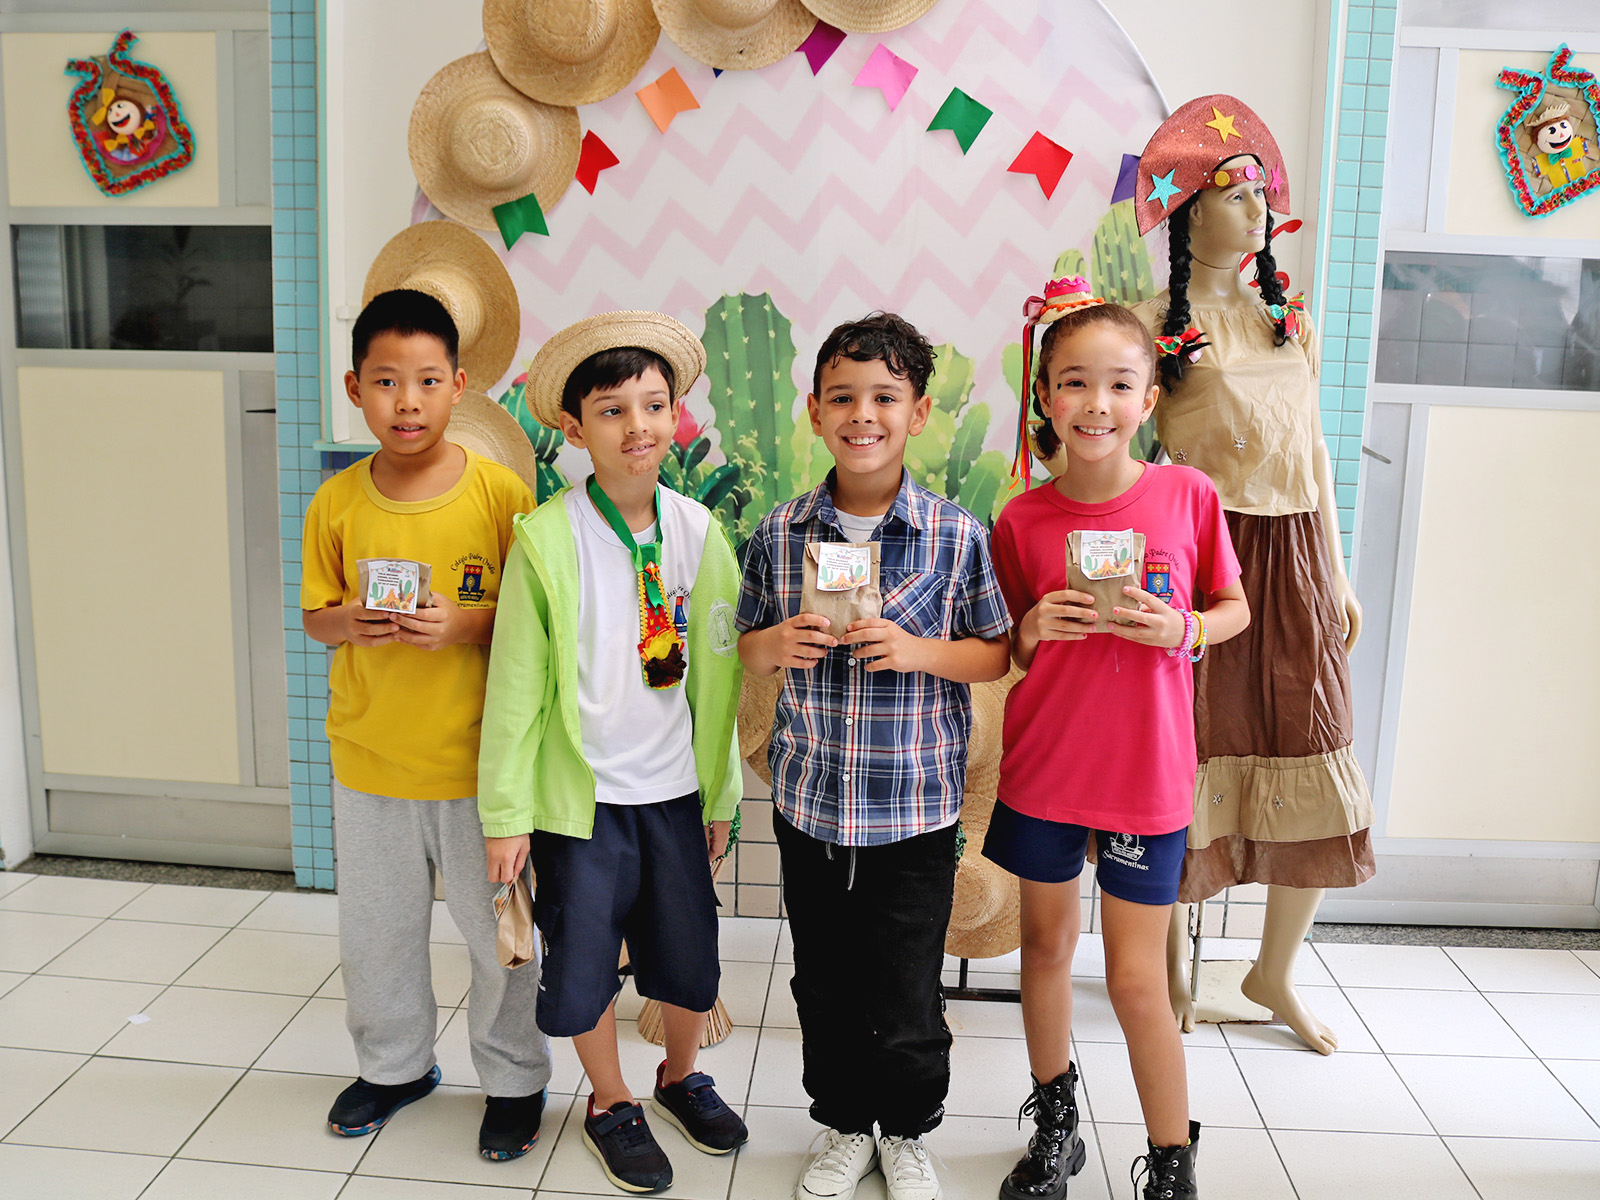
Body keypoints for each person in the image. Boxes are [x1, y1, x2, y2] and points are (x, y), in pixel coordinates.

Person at [736, 312, 1012, 1200]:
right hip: (810, 803)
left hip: (915, 809)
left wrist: (918, 650)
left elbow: (994, 655)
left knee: (906, 986)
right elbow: (746, 647)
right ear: (815, 411)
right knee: (822, 981)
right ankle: (845, 1123)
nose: (864, 414)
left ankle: (908, 1130)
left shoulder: (955, 534)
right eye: (843, 397)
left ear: (919, 413)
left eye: (885, 397)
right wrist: (777, 643)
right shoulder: (780, 531)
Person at [985, 280, 1249, 1200]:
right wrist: (1032, 629)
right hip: (1046, 771)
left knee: (1138, 980)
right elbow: (1005, 647)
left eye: (1119, 384)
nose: (1096, 403)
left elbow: (1233, 608)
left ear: (1149, 399)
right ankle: (1056, 1127)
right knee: (1046, 952)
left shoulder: (1187, 494)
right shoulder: (1021, 519)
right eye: (1074, 382)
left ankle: (1171, 1161)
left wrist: (1184, 629)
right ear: (1046, 395)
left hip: (1146, 777)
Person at [477, 311, 747, 1196]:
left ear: (676, 416)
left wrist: (719, 795)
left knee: (688, 957)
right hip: (580, 804)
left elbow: (722, 682)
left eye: (654, 406)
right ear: (573, 426)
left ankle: (680, 1076)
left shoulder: (700, 535)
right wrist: (506, 816)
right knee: (585, 957)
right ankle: (610, 1100)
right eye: (612, 410)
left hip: (674, 793)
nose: (638, 427)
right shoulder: (547, 542)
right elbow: (515, 691)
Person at [1130, 94, 1375, 1054]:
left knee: (1314, 741)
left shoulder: (1287, 318)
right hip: (1203, 555)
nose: (1257, 211)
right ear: (1188, 211)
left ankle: (1274, 971)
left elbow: (1313, 448)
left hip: (1298, 549)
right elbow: (1126, 457)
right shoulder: (1152, 326)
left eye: (1262, 195)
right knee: (1183, 754)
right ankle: (1166, 970)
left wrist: (1337, 570)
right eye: (1235, 195)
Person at [301, 288, 553, 1158]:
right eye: (385, 382)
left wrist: (465, 624)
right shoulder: (336, 502)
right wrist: (348, 622)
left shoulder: (500, 493)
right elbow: (316, 616)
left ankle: (514, 1078)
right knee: (377, 936)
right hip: (370, 762)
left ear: (459, 385)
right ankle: (394, 1066)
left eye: (426, 381)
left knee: (502, 940)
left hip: (484, 774)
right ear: (355, 388)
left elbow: (536, 623)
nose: (406, 402)